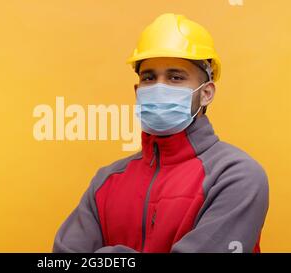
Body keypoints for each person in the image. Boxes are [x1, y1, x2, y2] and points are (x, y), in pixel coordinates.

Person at [53, 13, 269, 253]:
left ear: (206, 92)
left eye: (175, 77)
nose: (159, 87)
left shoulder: (236, 176)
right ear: (137, 91)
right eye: (149, 77)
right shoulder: (107, 181)